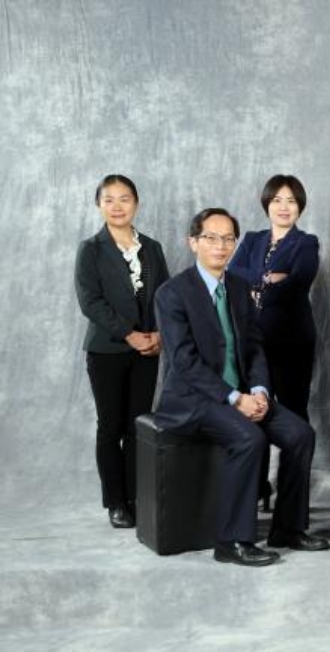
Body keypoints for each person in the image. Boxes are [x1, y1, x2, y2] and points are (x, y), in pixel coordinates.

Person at [154, 208, 329, 567]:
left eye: (228, 238)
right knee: (250, 438)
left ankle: (288, 529)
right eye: (211, 238)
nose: (220, 246)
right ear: (193, 242)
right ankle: (231, 541)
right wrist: (235, 399)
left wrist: (261, 390)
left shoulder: (237, 287)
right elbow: (185, 363)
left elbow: (254, 347)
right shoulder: (172, 293)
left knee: (300, 434)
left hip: (245, 393)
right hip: (194, 399)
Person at [75, 174, 169, 529]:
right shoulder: (91, 249)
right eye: (109, 199)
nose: (117, 206)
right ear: (99, 205)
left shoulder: (152, 247)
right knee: (110, 425)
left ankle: (135, 497)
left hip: (148, 349)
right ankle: (115, 502)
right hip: (107, 350)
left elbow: (165, 295)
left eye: (124, 198)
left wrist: (159, 333)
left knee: (137, 424)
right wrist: (130, 334)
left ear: (136, 203)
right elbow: (91, 302)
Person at [229, 175, 320, 510]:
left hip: (293, 342)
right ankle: (257, 488)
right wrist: (268, 278)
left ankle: (293, 500)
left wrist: (257, 288)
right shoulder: (252, 239)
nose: (284, 207)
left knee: (293, 416)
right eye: (277, 200)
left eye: (291, 201)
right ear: (267, 204)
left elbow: (297, 284)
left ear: (300, 207)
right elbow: (233, 274)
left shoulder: (306, 242)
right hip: (253, 342)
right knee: (254, 412)